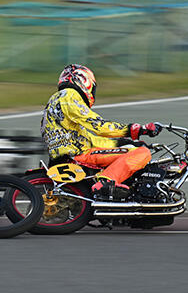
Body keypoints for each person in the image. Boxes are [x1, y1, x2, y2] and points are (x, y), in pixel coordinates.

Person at [40, 64, 162, 200]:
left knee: (131, 148)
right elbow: (98, 126)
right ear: (83, 80)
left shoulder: (57, 101)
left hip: (66, 155)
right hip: (78, 156)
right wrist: (135, 129)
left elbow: (92, 140)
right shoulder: (69, 95)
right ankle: (106, 182)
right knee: (142, 153)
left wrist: (121, 142)